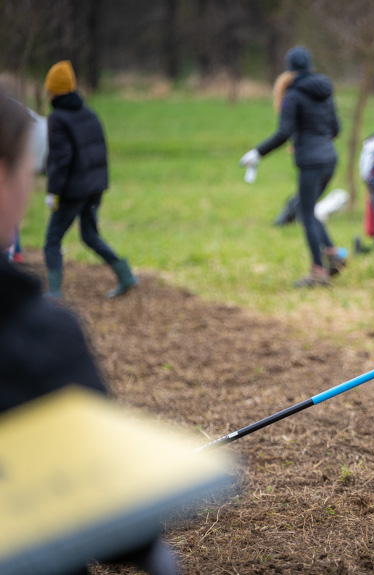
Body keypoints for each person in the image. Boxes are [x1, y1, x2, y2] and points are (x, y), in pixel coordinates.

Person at [0, 89, 178, 575]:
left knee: (60, 236)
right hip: (93, 186)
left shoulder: (60, 119)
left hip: (80, 185)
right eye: (26, 172)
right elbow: (114, 517)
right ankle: (90, 279)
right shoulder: (36, 336)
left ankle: (99, 276)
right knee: (78, 235)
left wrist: (61, 186)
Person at [240, 46, 344, 288]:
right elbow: (336, 129)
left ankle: (318, 272)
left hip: (311, 161)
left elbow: (283, 133)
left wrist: (257, 153)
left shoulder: (293, 95)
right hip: (330, 159)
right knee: (307, 207)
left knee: (304, 213)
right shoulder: (326, 91)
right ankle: (333, 253)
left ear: (290, 68)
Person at [42, 60, 138, 299]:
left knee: (52, 239)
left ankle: (53, 292)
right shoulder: (89, 113)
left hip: (74, 189)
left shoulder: (58, 118)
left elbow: (61, 159)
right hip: (95, 186)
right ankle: (125, 275)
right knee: (90, 235)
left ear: (53, 89)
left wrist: (53, 191)